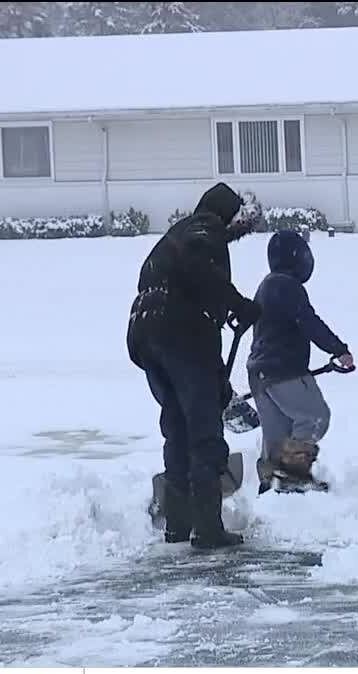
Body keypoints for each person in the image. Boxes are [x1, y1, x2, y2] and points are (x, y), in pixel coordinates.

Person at [126, 181, 262, 548]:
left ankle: (178, 525)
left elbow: (191, 282)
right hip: (178, 330)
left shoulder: (175, 232)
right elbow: (197, 264)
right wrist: (238, 303)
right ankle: (207, 528)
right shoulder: (205, 227)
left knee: (177, 424)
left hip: (146, 333)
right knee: (202, 428)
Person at [246, 229, 354, 493]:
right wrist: (339, 349)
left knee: (278, 434)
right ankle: (292, 476)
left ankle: (271, 484)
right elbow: (308, 321)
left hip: (260, 374)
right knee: (315, 416)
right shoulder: (286, 285)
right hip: (284, 370)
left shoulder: (267, 285)